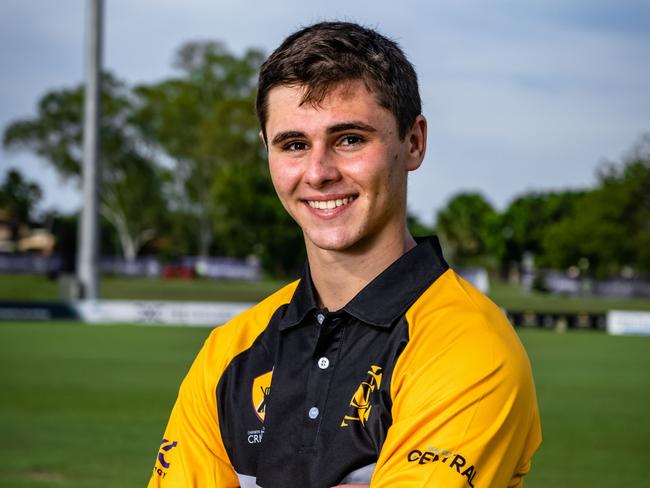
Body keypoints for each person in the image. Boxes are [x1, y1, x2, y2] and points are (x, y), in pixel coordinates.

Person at [148, 21, 541, 488]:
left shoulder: (471, 346)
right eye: (294, 145)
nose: (318, 173)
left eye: (349, 139)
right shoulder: (228, 352)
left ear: (412, 142)